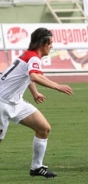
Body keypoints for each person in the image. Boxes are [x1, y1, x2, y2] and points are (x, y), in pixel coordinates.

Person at [0, 27, 73, 178]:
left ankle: (36, 167)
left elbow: (27, 76)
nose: (52, 46)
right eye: (50, 42)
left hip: (16, 102)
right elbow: (34, 76)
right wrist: (58, 86)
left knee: (43, 128)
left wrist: (35, 93)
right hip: (2, 104)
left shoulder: (29, 56)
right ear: (43, 43)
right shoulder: (33, 58)